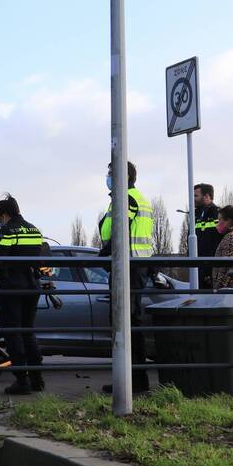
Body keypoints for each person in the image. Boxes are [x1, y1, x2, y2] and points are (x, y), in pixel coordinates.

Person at [98, 161, 155, 393]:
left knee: (124, 323)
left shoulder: (127, 198)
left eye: (111, 173)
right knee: (130, 322)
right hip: (134, 265)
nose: (108, 177)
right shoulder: (136, 198)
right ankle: (133, 380)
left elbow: (120, 230)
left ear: (123, 176)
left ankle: (132, 382)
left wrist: (104, 253)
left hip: (128, 266)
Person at [0, 195, 45, 395]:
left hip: (12, 286)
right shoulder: (34, 229)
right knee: (28, 331)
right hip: (32, 285)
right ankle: (37, 378)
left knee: (13, 333)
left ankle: (22, 381)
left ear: (4, 215)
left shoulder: (7, 230)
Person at [193, 183, 223, 288]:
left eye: (196, 196)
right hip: (198, 266)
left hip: (212, 267)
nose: (193, 199)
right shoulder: (195, 215)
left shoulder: (218, 214)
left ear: (206, 196)